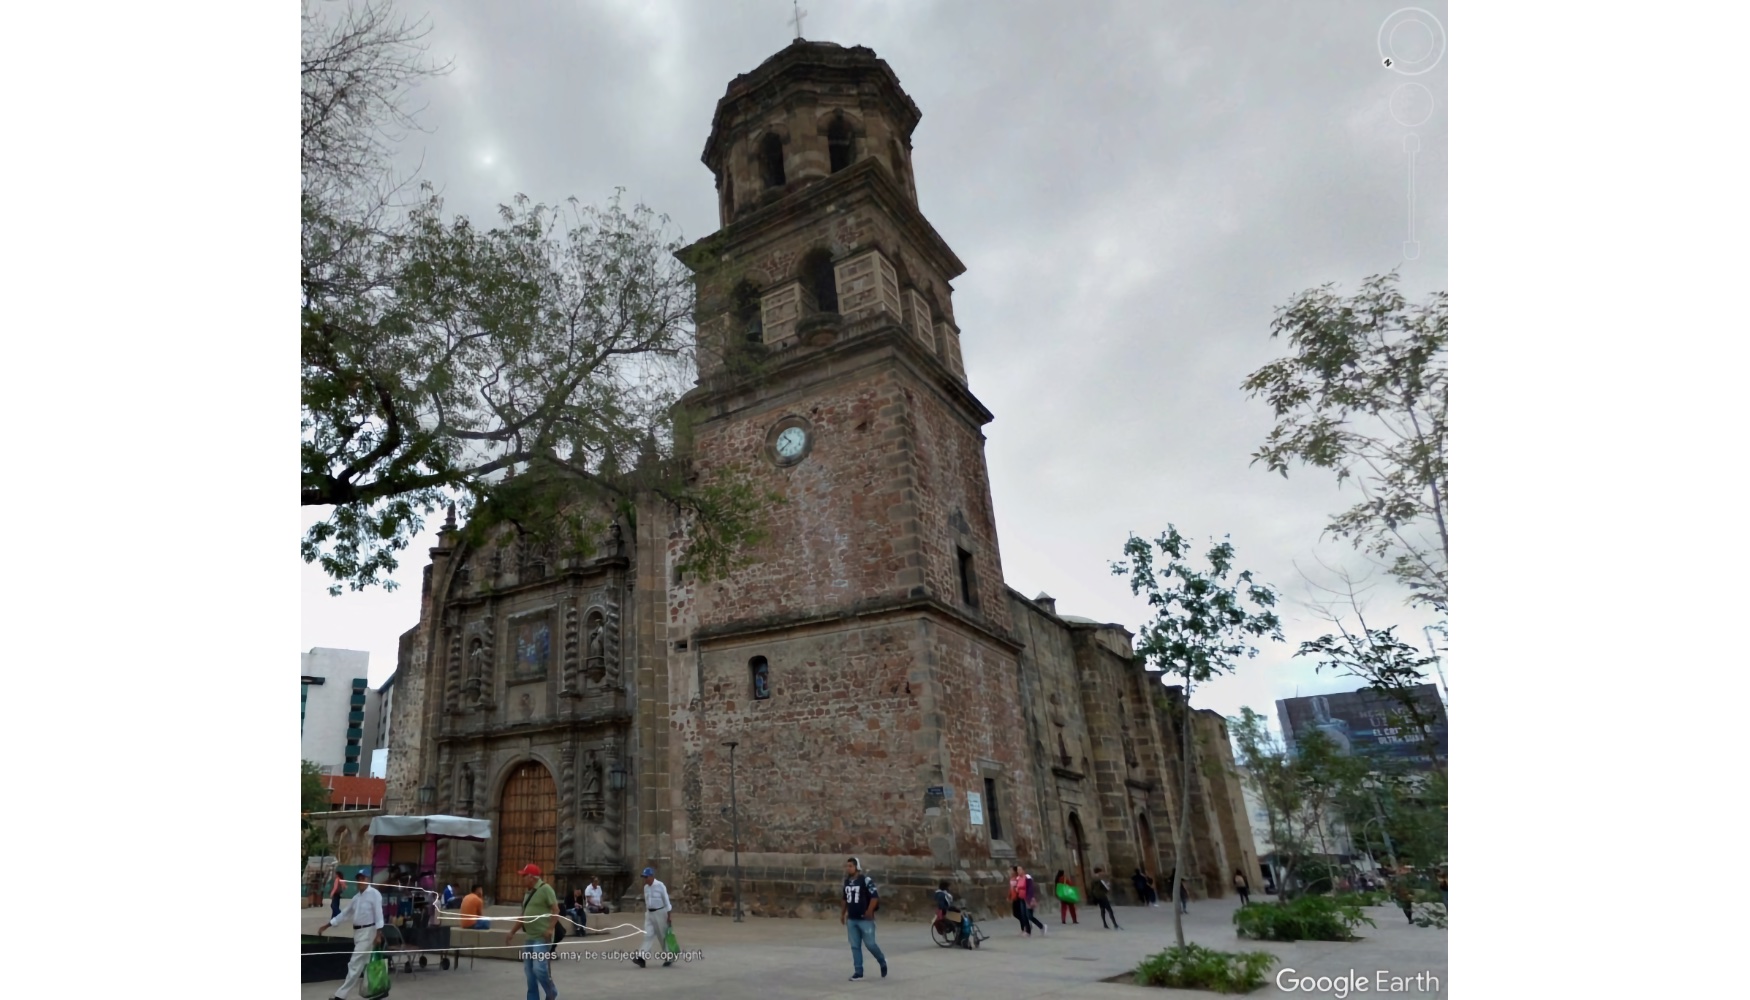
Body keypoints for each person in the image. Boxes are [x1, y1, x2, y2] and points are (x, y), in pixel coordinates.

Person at [317, 868, 384, 1000]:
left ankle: (340, 995)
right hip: (358, 933)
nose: (360, 881)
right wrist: (328, 925)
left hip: (368, 932)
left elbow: (379, 915)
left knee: (354, 964)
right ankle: (376, 991)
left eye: (363, 878)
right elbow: (345, 914)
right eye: (358, 879)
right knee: (366, 964)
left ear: (368, 880)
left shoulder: (374, 894)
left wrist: (378, 934)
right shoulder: (356, 898)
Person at [505, 863, 560, 1000]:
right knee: (529, 973)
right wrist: (512, 932)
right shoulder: (528, 893)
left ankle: (551, 991)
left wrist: (550, 928)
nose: (522, 879)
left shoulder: (546, 889)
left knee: (539, 969)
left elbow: (556, 910)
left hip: (542, 937)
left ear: (531, 877)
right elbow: (523, 916)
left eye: (523, 876)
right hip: (530, 937)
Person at [840, 857, 888, 981]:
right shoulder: (847, 882)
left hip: (865, 919)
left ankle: (882, 961)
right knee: (855, 946)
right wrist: (843, 913)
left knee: (870, 944)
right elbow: (845, 899)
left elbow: (874, 897)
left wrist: (869, 911)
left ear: (857, 867)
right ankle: (858, 971)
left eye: (850, 866)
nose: (848, 868)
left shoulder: (865, 880)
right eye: (847, 866)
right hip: (852, 919)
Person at [634, 866, 674, 969]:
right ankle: (641, 958)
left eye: (646, 877)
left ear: (651, 876)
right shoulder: (646, 888)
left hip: (660, 912)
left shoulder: (660, 886)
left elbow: (667, 901)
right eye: (644, 877)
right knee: (648, 935)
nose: (645, 879)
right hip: (649, 914)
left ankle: (669, 957)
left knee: (663, 937)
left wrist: (669, 916)